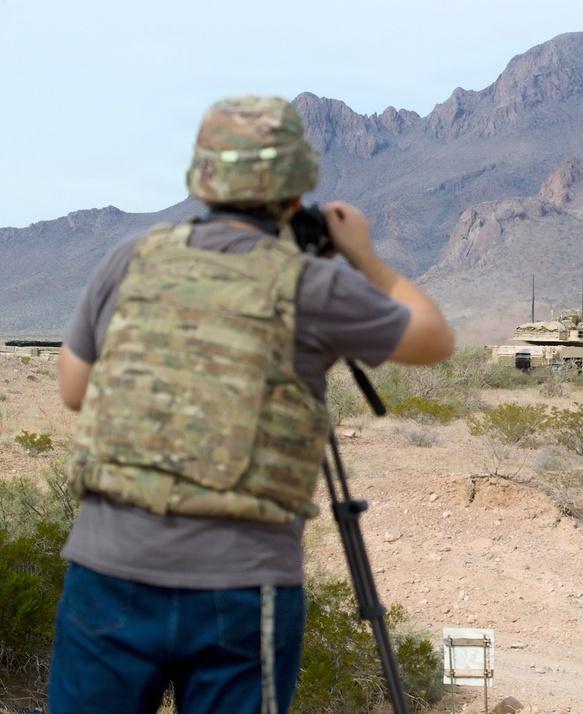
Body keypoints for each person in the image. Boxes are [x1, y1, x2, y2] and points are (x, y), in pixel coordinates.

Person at [49, 95, 454, 714]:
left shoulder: (129, 260)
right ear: (297, 195)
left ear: (203, 181)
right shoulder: (313, 283)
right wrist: (364, 257)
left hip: (109, 570)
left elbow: (75, 391)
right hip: (242, 586)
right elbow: (434, 340)